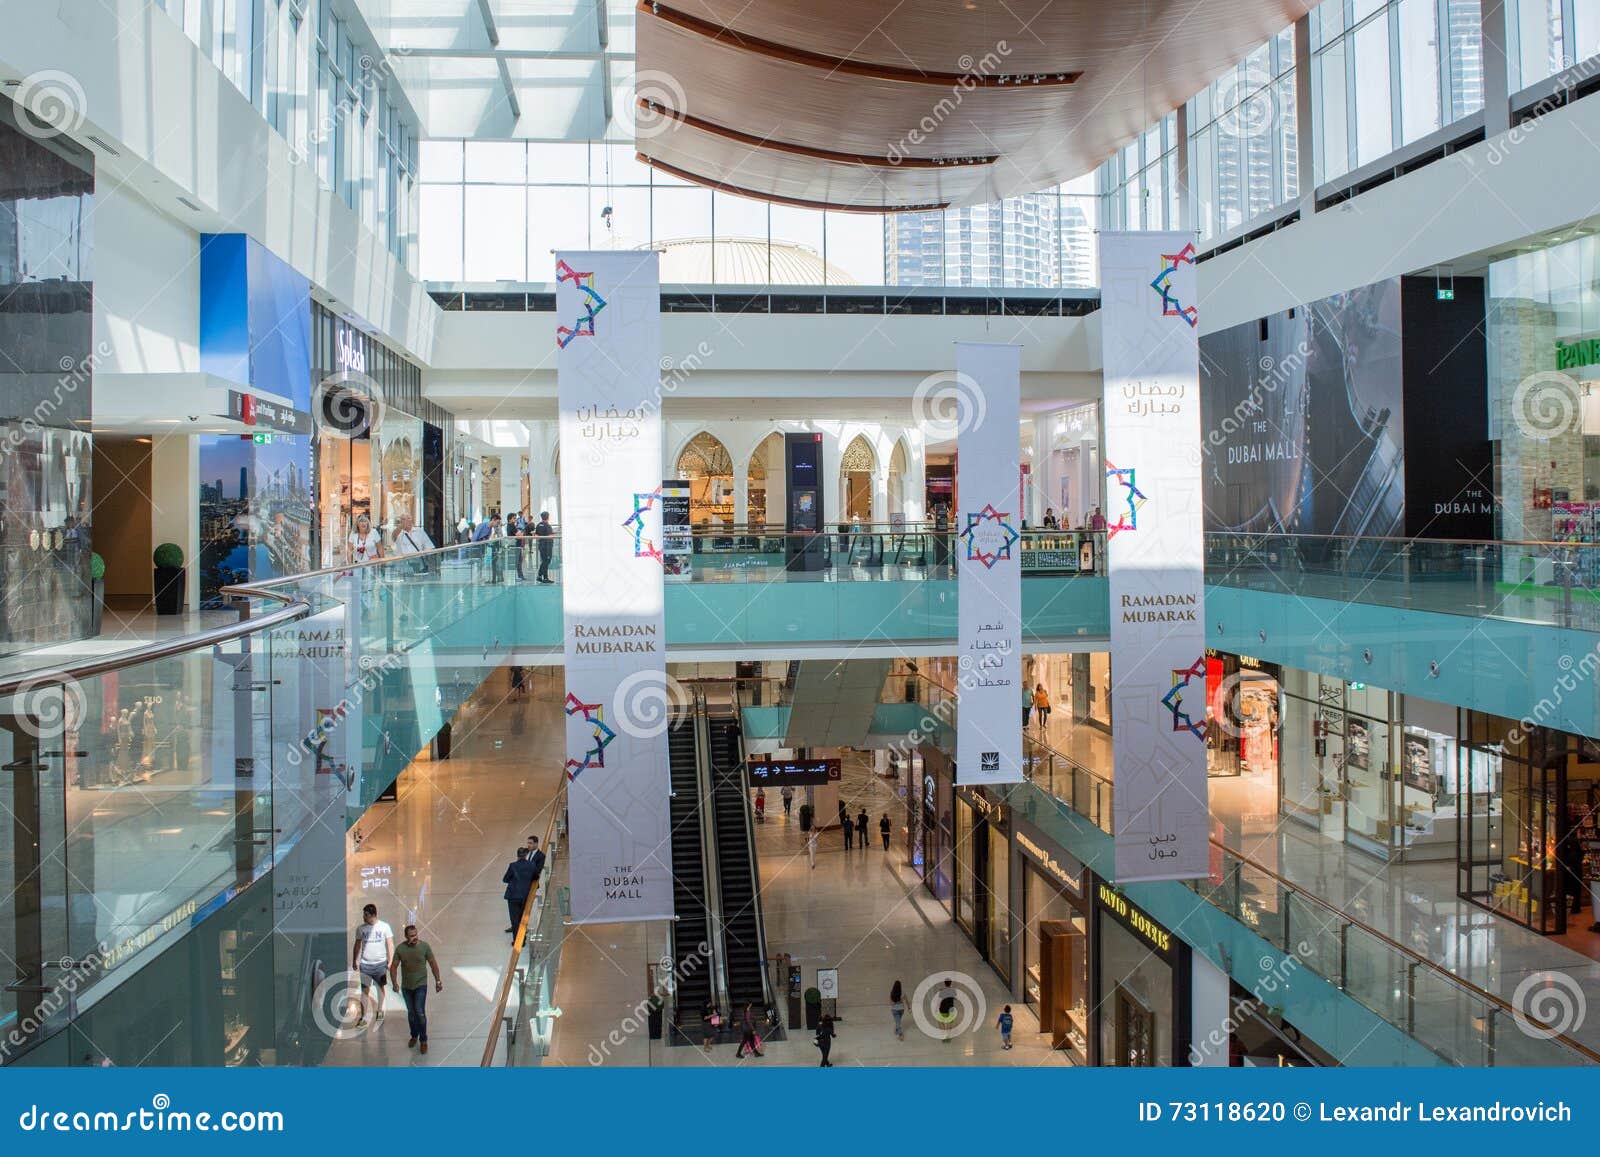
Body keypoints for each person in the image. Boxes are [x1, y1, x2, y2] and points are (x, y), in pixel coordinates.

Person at [390, 924, 443, 1053]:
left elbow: (433, 963)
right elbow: (394, 967)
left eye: (416, 935)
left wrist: (438, 980)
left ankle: (423, 1039)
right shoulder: (400, 949)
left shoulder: (424, 947)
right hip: (407, 986)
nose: (414, 938)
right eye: (411, 936)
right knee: (411, 1013)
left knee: (419, 1012)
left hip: (421, 984)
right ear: (406, 936)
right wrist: (394, 983)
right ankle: (414, 1035)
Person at [350, 903, 394, 1026]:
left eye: (366, 915)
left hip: (380, 964)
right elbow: (357, 945)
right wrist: (355, 960)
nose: (364, 917)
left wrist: (390, 961)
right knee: (364, 991)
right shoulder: (361, 929)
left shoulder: (384, 927)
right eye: (364, 915)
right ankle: (363, 1017)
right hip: (365, 964)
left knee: (380, 988)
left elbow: (390, 944)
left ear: (373, 915)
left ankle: (380, 1010)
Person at [502, 846, 537, 934]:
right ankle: (523, 932)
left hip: (513, 895)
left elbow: (505, 879)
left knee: (514, 917)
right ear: (526, 855)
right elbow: (536, 876)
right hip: (525, 895)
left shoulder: (513, 865)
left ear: (517, 855)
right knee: (523, 915)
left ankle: (516, 937)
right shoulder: (532, 865)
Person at [535, 511, 555, 584]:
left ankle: (541, 577)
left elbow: (536, 535)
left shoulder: (538, 525)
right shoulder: (547, 526)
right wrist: (553, 535)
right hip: (547, 547)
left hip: (541, 546)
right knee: (546, 561)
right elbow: (550, 536)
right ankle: (543, 577)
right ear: (548, 517)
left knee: (544, 561)